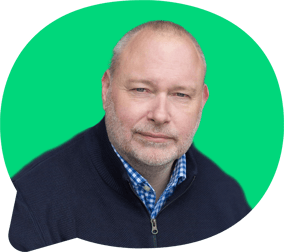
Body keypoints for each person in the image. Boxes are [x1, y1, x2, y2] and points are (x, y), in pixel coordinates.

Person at [8, 21, 251, 251]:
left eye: (180, 95)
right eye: (141, 90)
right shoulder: (32, 204)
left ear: (202, 102)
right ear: (106, 89)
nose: (160, 115)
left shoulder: (229, 202)